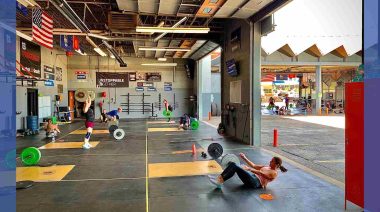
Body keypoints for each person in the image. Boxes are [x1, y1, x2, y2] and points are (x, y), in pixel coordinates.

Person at [209, 153, 287, 189]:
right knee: (233, 165)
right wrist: (244, 158)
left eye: (272, 161)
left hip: (256, 183)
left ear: (276, 164)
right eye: (271, 160)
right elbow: (254, 166)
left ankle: (219, 181)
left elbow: (261, 173)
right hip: (252, 178)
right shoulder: (267, 166)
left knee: (235, 166)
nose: (270, 161)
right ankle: (219, 180)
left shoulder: (274, 173)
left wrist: (249, 169)